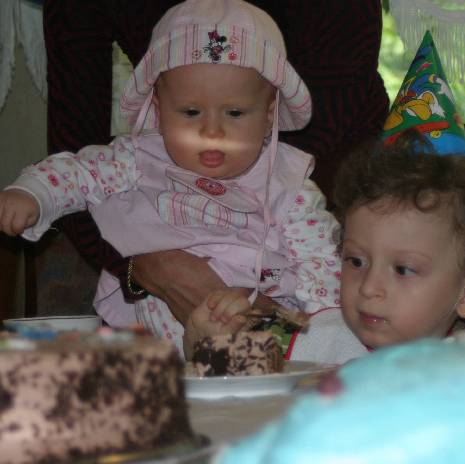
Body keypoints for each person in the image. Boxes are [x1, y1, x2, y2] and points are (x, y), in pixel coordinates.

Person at [0, 0, 341, 356]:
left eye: (235, 112)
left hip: (258, 338)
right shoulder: (138, 159)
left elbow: (323, 269)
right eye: (191, 112)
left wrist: (311, 331)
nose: (212, 131)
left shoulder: (290, 188)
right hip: (152, 346)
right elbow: (76, 171)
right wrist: (33, 193)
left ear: (269, 114)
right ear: (159, 110)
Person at [183, 131, 465, 362]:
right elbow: (235, 402)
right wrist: (207, 345)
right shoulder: (306, 337)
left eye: (402, 269)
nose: (368, 288)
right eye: (356, 261)